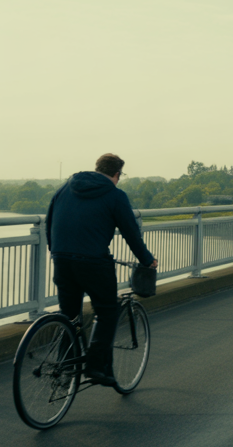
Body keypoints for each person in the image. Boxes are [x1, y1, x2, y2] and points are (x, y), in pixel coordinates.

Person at [45, 153, 158, 386]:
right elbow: (130, 232)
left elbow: (49, 221)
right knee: (107, 310)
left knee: (70, 315)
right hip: (93, 263)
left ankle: (65, 369)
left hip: (62, 259)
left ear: (97, 168)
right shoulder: (115, 195)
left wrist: (56, 251)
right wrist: (147, 259)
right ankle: (95, 366)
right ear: (117, 174)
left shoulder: (65, 188)